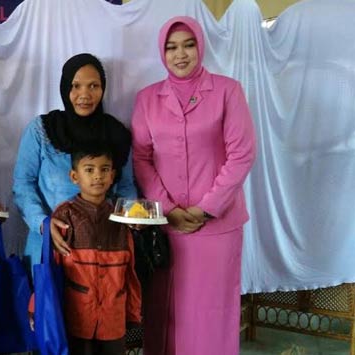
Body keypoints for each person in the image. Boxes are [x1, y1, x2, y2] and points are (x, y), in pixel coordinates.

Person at [130, 16, 256, 355]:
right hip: (166, 229)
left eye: (188, 45)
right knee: (165, 313)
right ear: (162, 52)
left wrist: (205, 208)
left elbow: (242, 154)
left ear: (200, 46)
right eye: (171, 47)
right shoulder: (147, 99)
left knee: (211, 313)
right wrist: (168, 209)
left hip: (217, 227)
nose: (180, 54)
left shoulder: (228, 91)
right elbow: (141, 158)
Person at [13, 53, 137, 268]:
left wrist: (133, 215)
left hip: (103, 249)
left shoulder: (115, 134)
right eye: (76, 86)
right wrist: (43, 223)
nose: (85, 95)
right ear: (64, 88)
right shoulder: (43, 130)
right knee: (51, 301)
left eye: (93, 86)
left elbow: (125, 187)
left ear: (103, 88)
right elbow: (23, 185)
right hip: (51, 246)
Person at [28, 149, 142, 355]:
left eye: (104, 169)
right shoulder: (66, 215)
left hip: (113, 319)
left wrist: (133, 314)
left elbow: (130, 270)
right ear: (74, 177)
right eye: (89, 170)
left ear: (112, 175)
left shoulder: (122, 218)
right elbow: (50, 265)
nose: (98, 175)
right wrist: (37, 307)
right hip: (77, 317)